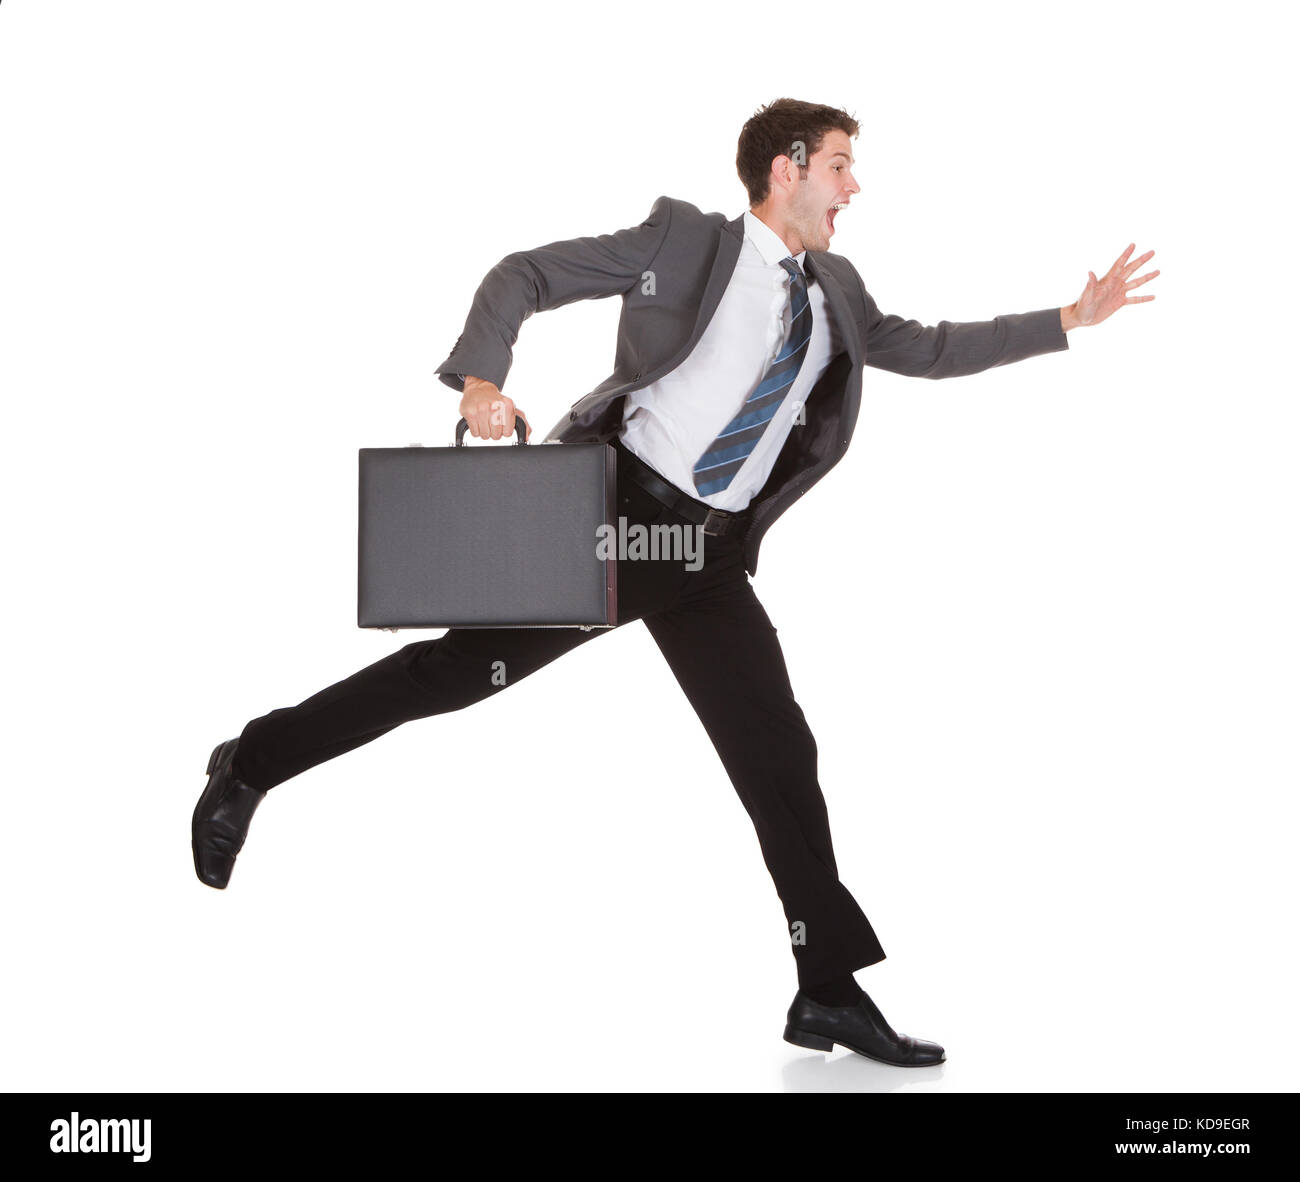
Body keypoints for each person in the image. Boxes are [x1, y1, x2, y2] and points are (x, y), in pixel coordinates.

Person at [193, 97, 1157, 1067]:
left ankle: (824, 989)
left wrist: (1068, 317)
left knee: (777, 753)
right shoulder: (683, 243)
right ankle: (250, 763)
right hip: (614, 522)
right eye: (837, 165)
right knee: (455, 676)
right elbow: (525, 274)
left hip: (705, 557)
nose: (852, 185)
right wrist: (482, 381)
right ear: (783, 169)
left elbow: (931, 348)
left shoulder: (837, 292)